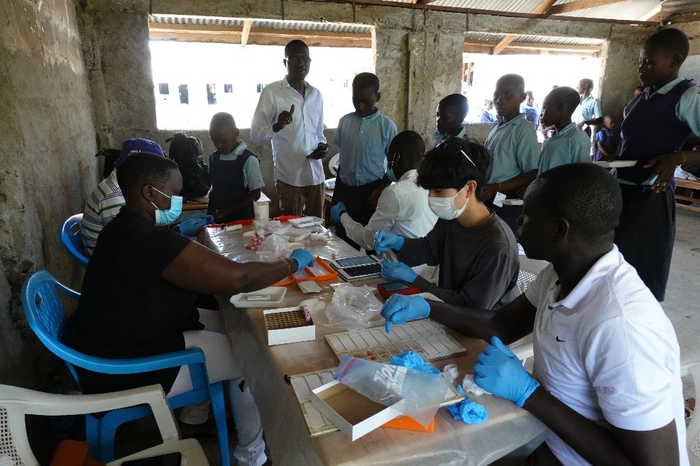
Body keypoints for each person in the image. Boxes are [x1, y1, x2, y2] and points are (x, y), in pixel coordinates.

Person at [381, 163, 688, 466]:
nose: (518, 223)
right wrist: (429, 306)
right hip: (549, 438)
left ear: (559, 230)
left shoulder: (621, 324)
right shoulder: (560, 274)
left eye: (527, 216)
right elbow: (501, 325)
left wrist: (530, 393)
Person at [65, 154, 315, 466]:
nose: (180, 200)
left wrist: (182, 233)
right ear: (149, 193)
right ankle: (252, 456)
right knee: (252, 354)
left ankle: (195, 418)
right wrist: (292, 263)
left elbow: (165, 261)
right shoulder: (146, 239)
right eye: (175, 192)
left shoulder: (122, 227)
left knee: (234, 323)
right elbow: (241, 278)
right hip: (123, 369)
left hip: (114, 342)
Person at [374, 138, 519, 309]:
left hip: (479, 329)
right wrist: (399, 243)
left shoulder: (498, 247)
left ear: (470, 188)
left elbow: (469, 308)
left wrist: (414, 279)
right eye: (429, 190)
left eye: (438, 191)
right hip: (449, 317)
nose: (431, 198)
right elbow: (429, 249)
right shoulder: (452, 219)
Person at [613, 28, 700, 302]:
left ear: (674, 61)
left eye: (648, 62)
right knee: (614, 270)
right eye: (640, 61)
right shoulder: (642, 97)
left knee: (640, 279)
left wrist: (678, 158)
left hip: (650, 197)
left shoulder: (687, 96)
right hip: (621, 192)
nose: (641, 68)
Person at [250, 39, 328, 218]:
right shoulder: (272, 93)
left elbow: (318, 132)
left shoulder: (316, 94)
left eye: (305, 59)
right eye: (295, 58)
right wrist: (277, 126)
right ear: (285, 62)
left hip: (316, 175)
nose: (301, 63)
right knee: (292, 231)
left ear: (310, 62)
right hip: (290, 177)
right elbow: (255, 135)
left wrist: (323, 147)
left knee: (317, 230)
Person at [330, 131, 437, 251]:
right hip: (429, 265)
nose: (388, 166)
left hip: (400, 265)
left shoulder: (395, 193)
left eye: (388, 158)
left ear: (396, 157)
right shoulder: (434, 184)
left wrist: (343, 216)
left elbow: (369, 240)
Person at [331, 72, 397, 248]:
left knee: (371, 241)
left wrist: (381, 187)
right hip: (345, 189)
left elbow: (394, 164)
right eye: (355, 100)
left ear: (378, 97)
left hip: (371, 192)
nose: (360, 106)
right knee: (342, 240)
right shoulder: (344, 122)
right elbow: (342, 152)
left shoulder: (387, 126)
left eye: (366, 102)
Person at [82, 138, 164, 256]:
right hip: (110, 264)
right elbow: (130, 245)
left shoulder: (122, 185)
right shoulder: (114, 196)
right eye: (155, 172)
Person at [482, 74, 539, 233]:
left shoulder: (523, 130)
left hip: (504, 198)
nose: (500, 100)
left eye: (508, 96)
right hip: (489, 194)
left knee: (502, 238)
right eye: (496, 95)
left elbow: (532, 172)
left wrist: (497, 187)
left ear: (522, 97)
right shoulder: (497, 125)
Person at [208, 112, 264, 223]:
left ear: (236, 134)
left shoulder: (248, 159)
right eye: (215, 141)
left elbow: (256, 194)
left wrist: (229, 211)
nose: (219, 145)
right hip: (217, 216)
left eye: (223, 141)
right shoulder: (214, 158)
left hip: (241, 218)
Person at [536, 86, 592, 175]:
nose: (541, 114)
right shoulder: (552, 139)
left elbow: (582, 176)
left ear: (559, 107)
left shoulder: (578, 139)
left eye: (545, 108)